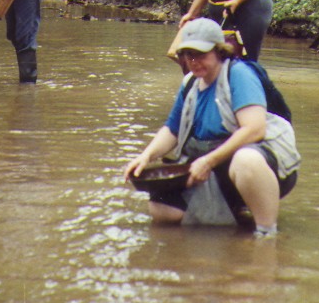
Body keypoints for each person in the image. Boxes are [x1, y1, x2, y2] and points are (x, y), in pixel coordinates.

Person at [124, 18, 300, 237]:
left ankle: (266, 232)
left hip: (262, 165)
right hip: (219, 167)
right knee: (162, 209)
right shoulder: (190, 83)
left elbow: (255, 130)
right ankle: (235, 217)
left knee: (246, 160)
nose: (194, 61)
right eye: (188, 55)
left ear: (219, 51)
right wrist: (146, 156)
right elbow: (172, 130)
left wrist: (208, 161)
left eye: (200, 54)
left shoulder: (239, 74)